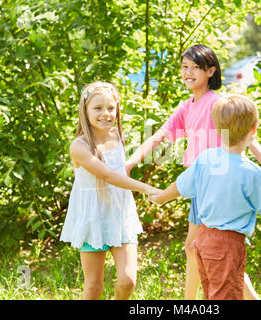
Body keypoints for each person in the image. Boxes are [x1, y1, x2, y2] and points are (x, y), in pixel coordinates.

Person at [126, 44, 261, 300]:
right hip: (202, 187)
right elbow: (159, 137)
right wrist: (130, 163)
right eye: (184, 67)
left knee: (205, 249)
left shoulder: (218, 104)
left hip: (218, 187)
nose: (188, 72)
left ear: (211, 71)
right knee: (197, 248)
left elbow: (250, 141)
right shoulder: (187, 106)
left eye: (194, 68)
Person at [149, 94, 261, 300]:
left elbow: (180, 185)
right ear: (253, 130)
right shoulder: (252, 173)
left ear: (216, 128)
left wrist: (160, 198)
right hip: (227, 245)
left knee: (213, 294)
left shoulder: (206, 159)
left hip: (203, 239)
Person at [60, 81, 161, 300]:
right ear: (85, 111)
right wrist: (148, 189)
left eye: (111, 108)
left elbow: (120, 169)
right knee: (94, 286)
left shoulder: (116, 135)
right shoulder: (79, 146)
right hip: (92, 217)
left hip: (120, 216)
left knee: (128, 281)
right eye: (98, 108)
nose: (106, 113)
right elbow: (108, 175)